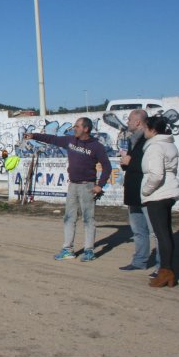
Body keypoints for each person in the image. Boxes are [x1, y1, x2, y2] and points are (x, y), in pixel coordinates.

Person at [24, 117, 112, 262]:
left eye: (77, 126)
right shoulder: (70, 140)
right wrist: (34, 135)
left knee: (88, 219)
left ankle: (89, 251)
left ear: (86, 129)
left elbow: (107, 167)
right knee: (69, 218)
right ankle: (68, 250)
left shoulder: (96, 146)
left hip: (88, 186)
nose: (74, 129)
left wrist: (99, 185)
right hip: (73, 185)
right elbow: (52, 139)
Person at [141, 115, 179, 288]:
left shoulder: (155, 147)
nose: (144, 131)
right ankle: (167, 270)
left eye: (145, 128)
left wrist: (146, 190)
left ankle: (165, 271)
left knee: (161, 234)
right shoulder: (169, 144)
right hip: (168, 192)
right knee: (166, 234)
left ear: (152, 129)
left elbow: (156, 175)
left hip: (158, 194)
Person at [118, 109, 159, 273]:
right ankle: (139, 261)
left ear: (137, 122)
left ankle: (161, 266)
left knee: (155, 231)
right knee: (138, 230)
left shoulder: (150, 141)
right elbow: (130, 163)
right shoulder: (132, 139)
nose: (127, 122)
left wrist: (130, 162)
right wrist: (124, 162)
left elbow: (149, 166)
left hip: (147, 192)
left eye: (129, 120)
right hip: (133, 191)